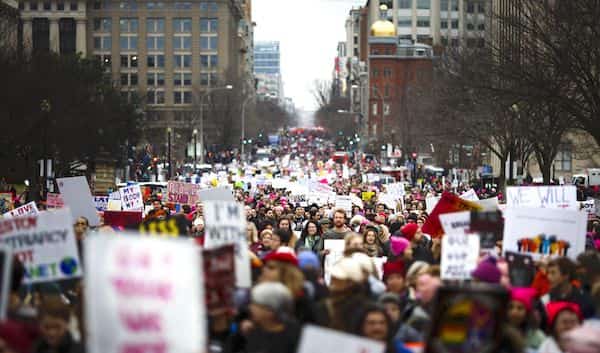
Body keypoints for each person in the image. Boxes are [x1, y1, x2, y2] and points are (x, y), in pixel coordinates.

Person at [261, 247, 317, 324]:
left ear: (286, 271)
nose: (265, 270)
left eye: (271, 268)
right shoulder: (261, 293)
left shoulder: (301, 299)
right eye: (265, 266)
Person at [245, 282, 301, 353]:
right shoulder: (253, 331)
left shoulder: (296, 336)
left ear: (270, 311)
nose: (250, 307)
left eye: (256, 304)